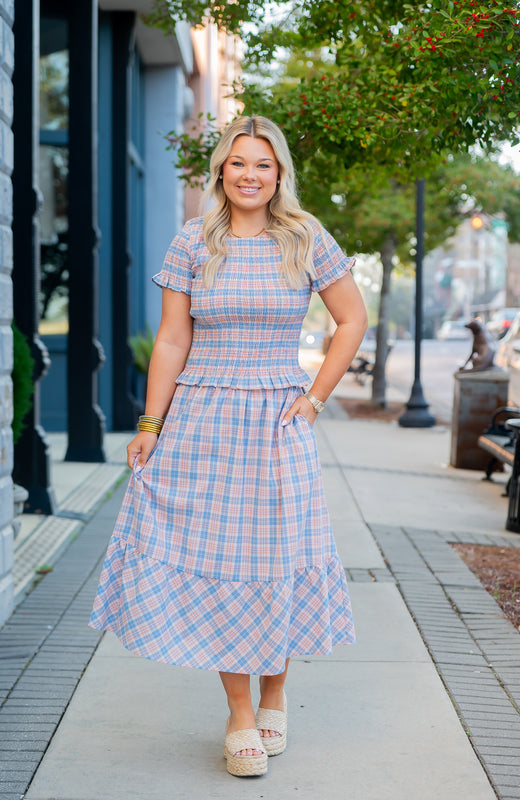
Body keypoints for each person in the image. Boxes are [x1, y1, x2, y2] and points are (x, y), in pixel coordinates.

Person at [90, 115, 368, 777]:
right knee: (219, 561)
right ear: (221, 171)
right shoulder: (194, 241)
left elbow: (350, 318)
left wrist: (316, 396)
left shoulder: (304, 238)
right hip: (202, 419)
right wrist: (151, 424)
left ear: (279, 174)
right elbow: (171, 341)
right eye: (238, 163)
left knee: (279, 557)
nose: (249, 175)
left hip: (277, 419)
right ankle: (239, 713)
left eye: (262, 165)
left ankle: (275, 689)